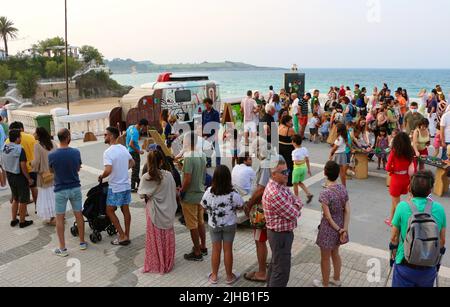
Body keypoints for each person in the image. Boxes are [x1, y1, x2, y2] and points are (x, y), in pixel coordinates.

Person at [390, 171, 446, 287]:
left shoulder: (402, 206)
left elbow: (394, 237)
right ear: (430, 190)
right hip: (428, 267)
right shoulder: (439, 209)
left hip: (404, 264)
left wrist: (394, 254)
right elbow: (442, 241)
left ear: (409, 188)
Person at [262, 155, 302, 287]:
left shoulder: (280, 185)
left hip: (281, 235)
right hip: (280, 236)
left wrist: (295, 204)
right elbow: (294, 213)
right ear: (274, 174)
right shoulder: (275, 192)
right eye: (283, 172)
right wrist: (296, 205)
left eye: (287, 171)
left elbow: (295, 199)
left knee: (276, 265)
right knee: (281, 272)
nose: (287, 174)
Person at [201, 165, 244, 285]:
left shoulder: (209, 191)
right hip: (229, 224)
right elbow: (241, 205)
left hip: (214, 224)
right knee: (228, 249)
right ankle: (229, 276)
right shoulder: (233, 193)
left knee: (216, 249)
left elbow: (203, 206)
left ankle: (214, 276)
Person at [138, 150, 178, 274]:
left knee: (154, 237)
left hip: (153, 211)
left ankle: (156, 262)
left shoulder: (146, 177)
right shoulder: (169, 175)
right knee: (166, 236)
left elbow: (141, 194)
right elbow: (173, 192)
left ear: (148, 162)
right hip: (168, 211)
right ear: (161, 162)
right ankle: (167, 262)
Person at [49, 128, 87, 257]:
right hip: (75, 187)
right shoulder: (76, 152)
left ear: (59, 138)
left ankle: (62, 248)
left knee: (60, 218)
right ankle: (82, 242)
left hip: (60, 189)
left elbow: (51, 171)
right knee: (78, 215)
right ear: (68, 137)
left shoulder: (52, 155)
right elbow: (77, 168)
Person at [313, 161, 350, 287]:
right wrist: (344, 229)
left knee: (325, 258)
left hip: (329, 228)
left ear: (325, 173)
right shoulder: (343, 188)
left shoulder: (325, 193)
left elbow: (327, 217)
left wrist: (339, 229)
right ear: (338, 174)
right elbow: (347, 210)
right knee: (335, 253)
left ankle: (325, 284)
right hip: (340, 224)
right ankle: (336, 278)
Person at [244, 138, 273, 283]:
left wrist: (249, 204)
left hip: (262, 209)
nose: (254, 154)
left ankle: (262, 272)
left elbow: (261, 189)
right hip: (270, 207)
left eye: (255, 151)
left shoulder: (265, 164)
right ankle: (269, 266)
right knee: (267, 239)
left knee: (260, 240)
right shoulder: (273, 159)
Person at [99, 127, 135, 246]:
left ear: (112, 136)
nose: (104, 136)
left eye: (106, 134)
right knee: (126, 210)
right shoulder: (123, 148)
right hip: (125, 184)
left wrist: (101, 176)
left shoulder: (108, 152)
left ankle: (122, 235)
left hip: (115, 187)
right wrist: (123, 169)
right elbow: (132, 162)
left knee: (109, 210)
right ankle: (127, 234)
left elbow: (108, 170)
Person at [180, 132, 208, 261]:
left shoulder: (189, 157)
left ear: (187, 142)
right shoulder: (201, 155)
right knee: (200, 222)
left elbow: (187, 179)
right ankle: (203, 246)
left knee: (192, 225)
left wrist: (181, 191)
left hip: (190, 195)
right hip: (200, 193)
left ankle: (197, 252)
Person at [1, 129, 34, 228]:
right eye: (20, 137)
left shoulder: (4, 147)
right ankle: (22, 221)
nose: (21, 139)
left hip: (9, 176)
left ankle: (14, 219)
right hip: (19, 177)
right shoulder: (19, 149)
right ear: (17, 138)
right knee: (23, 200)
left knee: (15, 198)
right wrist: (28, 178)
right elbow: (23, 166)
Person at [385, 132, 416, 227]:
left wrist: (392, 170)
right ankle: (391, 219)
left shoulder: (394, 151)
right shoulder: (410, 151)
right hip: (406, 179)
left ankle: (400, 223)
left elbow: (388, 168)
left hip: (396, 179)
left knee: (397, 204)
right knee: (394, 202)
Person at [7, 121, 38, 213]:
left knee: (20, 192)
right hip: (30, 167)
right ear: (21, 128)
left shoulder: (8, 140)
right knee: (33, 188)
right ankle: (37, 207)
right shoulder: (31, 137)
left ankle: (24, 213)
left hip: (17, 170)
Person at [31, 127, 58, 225]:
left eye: (35, 133)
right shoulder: (53, 143)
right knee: (54, 195)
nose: (34, 134)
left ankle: (52, 218)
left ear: (39, 135)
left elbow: (37, 161)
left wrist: (31, 164)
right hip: (54, 174)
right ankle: (59, 216)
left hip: (44, 176)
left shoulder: (37, 146)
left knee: (47, 196)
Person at [126, 119, 149, 192]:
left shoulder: (131, 127)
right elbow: (131, 144)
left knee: (134, 169)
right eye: (145, 127)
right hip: (134, 152)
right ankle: (133, 187)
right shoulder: (136, 132)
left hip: (129, 151)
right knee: (135, 170)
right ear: (142, 125)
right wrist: (139, 151)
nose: (145, 129)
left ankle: (138, 184)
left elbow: (124, 135)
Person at [291, 135, 313, 204]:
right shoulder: (304, 149)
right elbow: (307, 160)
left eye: (292, 141)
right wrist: (309, 169)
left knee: (295, 184)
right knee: (300, 182)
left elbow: (296, 162)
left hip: (297, 169)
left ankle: (296, 199)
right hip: (304, 168)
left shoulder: (294, 152)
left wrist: (302, 161)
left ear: (294, 143)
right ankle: (308, 194)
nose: (291, 143)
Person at [202, 98, 221, 168]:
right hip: (206, 135)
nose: (206, 106)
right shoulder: (204, 112)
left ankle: (218, 164)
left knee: (217, 150)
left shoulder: (215, 113)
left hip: (213, 134)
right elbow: (202, 123)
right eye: (205, 105)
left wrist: (216, 135)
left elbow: (217, 125)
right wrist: (203, 134)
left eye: (207, 104)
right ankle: (209, 162)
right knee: (207, 150)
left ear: (210, 104)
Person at [278, 115, 296, 187]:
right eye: (290, 121)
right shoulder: (290, 130)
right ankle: (289, 181)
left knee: (282, 164)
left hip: (280, 147)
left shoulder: (280, 126)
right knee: (289, 165)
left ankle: (281, 178)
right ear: (286, 122)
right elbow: (296, 138)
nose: (292, 122)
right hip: (288, 149)